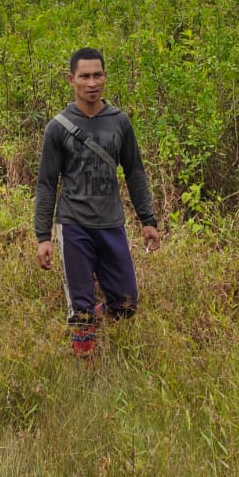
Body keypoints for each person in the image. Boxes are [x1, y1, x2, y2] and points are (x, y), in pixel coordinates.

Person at [35, 48, 161, 357]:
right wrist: (43, 237)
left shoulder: (119, 122)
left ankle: (99, 313)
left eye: (97, 75)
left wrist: (148, 221)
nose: (92, 83)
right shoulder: (58, 127)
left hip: (111, 224)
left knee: (126, 302)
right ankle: (86, 369)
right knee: (81, 310)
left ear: (105, 77)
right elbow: (47, 183)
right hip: (73, 225)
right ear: (71, 79)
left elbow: (135, 172)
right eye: (84, 76)